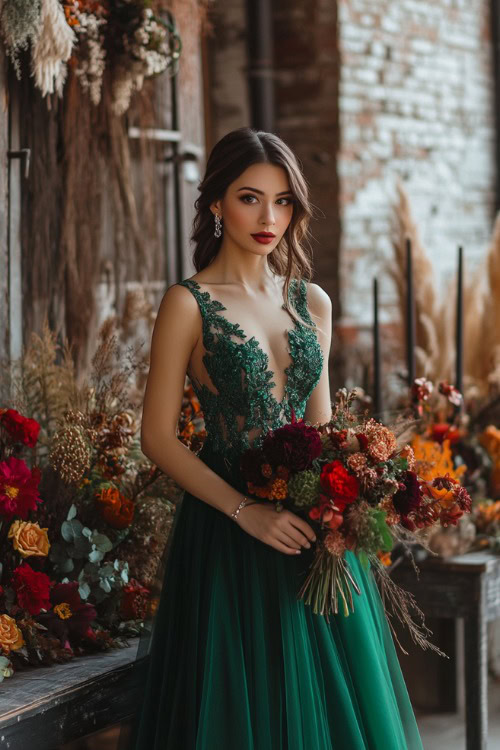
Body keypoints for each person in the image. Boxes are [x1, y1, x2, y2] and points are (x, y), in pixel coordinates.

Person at [121, 127, 424, 749]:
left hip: (313, 531)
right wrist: (246, 511)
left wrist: (349, 497)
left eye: (283, 201)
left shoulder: (310, 301)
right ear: (215, 204)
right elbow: (156, 438)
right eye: (250, 197)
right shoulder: (188, 303)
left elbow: (318, 431)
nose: (269, 217)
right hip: (231, 536)